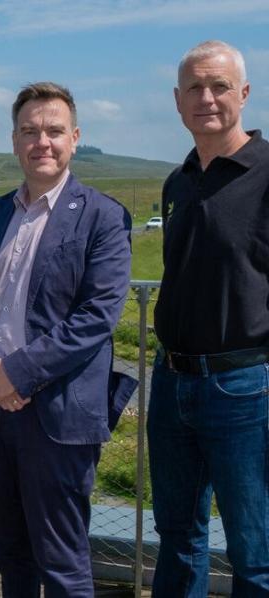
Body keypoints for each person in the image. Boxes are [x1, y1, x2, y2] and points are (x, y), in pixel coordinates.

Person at [0, 82, 135, 597]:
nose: (42, 142)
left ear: (75, 138)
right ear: (14, 141)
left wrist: (17, 372)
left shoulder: (103, 215)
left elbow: (97, 316)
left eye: (54, 131)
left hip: (57, 414)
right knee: (10, 552)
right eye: (30, 131)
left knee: (62, 562)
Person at [149, 40, 269, 596]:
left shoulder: (266, 173)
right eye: (194, 87)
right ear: (177, 101)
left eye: (219, 86)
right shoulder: (177, 183)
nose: (207, 98)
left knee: (255, 549)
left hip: (243, 387)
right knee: (177, 538)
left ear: (244, 94)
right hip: (172, 383)